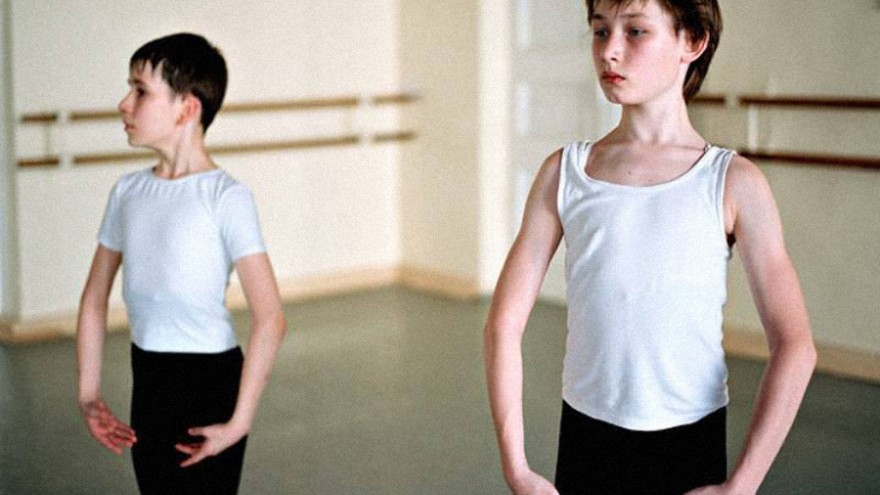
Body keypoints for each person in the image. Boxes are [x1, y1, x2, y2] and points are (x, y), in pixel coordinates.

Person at [483, 0, 816, 493]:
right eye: (600, 32)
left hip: (690, 441)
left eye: (635, 32)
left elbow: (795, 347)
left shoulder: (734, 182)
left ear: (692, 42)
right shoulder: (565, 173)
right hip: (587, 436)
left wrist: (741, 486)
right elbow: (503, 324)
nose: (609, 52)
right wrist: (517, 468)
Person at [76, 33, 287, 494]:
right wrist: (89, 394)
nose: (123, 104)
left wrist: (238, 424)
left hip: (209, 383)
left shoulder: (225, 198)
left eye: (140, 91)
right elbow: (94, 300)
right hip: (149, 377)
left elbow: (270, 317)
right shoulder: (128, 193)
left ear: (186, 108)